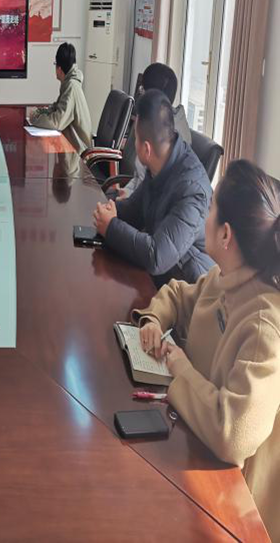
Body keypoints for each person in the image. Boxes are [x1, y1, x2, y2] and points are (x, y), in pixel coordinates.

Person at [132, 160, 280, 541]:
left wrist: (180, 369)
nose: (205, 216)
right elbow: (180, 296)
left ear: (226, 234)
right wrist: (154, 319)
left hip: (233, 506)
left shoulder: (264, 327)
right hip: (192, 447)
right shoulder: (228, 275)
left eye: (211, 207)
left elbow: (233, 434)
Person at [93, 89, 213, 286]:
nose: (133, 144)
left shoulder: (193, 191)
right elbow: (136, 209)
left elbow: (157, 257)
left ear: (146, 148)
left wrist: (111, 227)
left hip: (187, 287)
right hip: (161, 278)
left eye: (135, 139)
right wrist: (109, 208)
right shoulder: (161, 164)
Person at [121, 62, 191, 197]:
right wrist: (125, 193)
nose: (140, 94)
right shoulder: (157, 121)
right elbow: (139, 176)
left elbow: (154, 193)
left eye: (143, 90)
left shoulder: (169, 136)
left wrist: (126, 200)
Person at [28, 42, 92, 152]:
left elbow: (57, 122)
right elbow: (57, 108)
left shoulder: (71, 86)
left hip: (77, 152)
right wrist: (40, 112)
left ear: (59, 68)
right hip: (69, 144)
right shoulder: (69, 83)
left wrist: (34, 119)